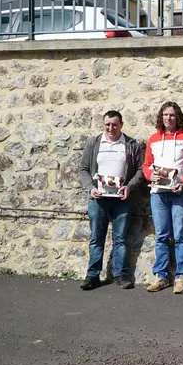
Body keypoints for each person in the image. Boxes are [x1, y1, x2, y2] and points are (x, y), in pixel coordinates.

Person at [77, 110, 145, 290]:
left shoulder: (131, 144)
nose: (110, 128)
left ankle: (121, 275)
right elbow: (83, 169)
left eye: (114, 124)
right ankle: (92, 276)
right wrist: (90, 189)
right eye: (107, 124)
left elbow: (140, 170)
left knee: (121, 239)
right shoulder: (94, 142)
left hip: (122, 199)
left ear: (121, 124)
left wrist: (128, 187)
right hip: (98, 199)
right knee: (96, 239)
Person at [143, 102, 183, 294]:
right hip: (158, 194)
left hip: (181, 194)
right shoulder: (153, 139)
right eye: (166, 115)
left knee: (181, 236)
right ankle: (161, 276)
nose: (169, 118)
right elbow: (147, 165)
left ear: (178, 117)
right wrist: (151, 176)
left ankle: (181, 276)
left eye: (172, 115)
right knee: (161, 236)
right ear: (161, 117)